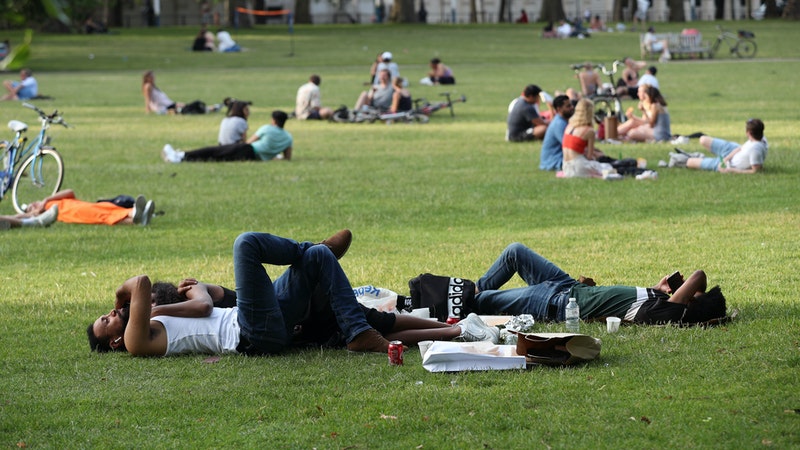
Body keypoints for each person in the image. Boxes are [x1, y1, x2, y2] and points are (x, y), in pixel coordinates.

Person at [87, 230, 417, 356]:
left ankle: (358, 332)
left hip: (257, 321)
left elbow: (199, 307)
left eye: (109, 312)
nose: (113, 312)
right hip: (251, 333)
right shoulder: (136, 342)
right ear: (115, 341)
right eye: (107, 321)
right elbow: (141, 282)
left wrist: (200, 292)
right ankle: (308, 248)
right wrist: (121, 292)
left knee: (319, 259)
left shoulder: (155, 319)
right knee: (245, 244)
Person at [150, 278, 499, 347]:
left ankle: (453, 328)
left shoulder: (197, 294)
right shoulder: (174, 320)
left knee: (377, 323)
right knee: (377, 332)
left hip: (301, 308)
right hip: (299, 324)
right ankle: (456, 330)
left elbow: (208, 303)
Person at [469, 242, 723, 325]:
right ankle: (474, 289)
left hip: (555, 302)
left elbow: (699, 274)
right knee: (515, 252)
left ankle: (459, 301)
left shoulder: (671, 312)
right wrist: (658, 289)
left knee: (479, 302)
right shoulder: (662, 303)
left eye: (693, 294)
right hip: (566, 285)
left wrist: (688, 296)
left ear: (690, 304)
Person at [161, 110, 293, 163]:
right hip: (254, 158)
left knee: (214, 151)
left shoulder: (267, 128)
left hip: (247, 149)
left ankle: (181, 157)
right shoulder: (288, 137)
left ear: (273, 120)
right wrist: (271, 155)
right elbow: (287, 157)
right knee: (218, 156)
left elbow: (249, 141)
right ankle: (181, 156)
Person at [679, 119, 767, 174]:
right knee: (703, 139)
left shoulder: (755, 150)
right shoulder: (760, 138)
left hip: (729, 165)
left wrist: (730, 170)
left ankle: (699, 157)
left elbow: (755, 171)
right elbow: (740, 148)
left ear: (749, 133)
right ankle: (702, 157)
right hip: (731, 151)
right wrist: (725, 159)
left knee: (689, 162)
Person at [23, 190, 154, 226]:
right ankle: (135, 214)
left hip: (85, 205)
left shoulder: (51, 201)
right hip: (76, 213)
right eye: (31, 208)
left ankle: (139, 216)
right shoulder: (45, 215)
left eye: (33, 203)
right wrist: (35, 212)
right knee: (103, 217)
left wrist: (47, 199)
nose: (34, 205)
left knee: (108, 209)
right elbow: (22, 218)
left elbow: (70, 192)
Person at [561, 98, 612, 178]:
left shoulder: (569, 126)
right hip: (579, 167)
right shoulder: (589, 131)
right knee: (607, 167)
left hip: (566, 167)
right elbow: (589, 156)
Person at [142, 70, 219, 115]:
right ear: (146, 78)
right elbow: (148, 99)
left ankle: (209, 108)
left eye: (153, 76)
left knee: (187, 107)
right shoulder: (148, 86)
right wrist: (148, 109)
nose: (153, 78)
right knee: (189, 107)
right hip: (164, 107)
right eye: (151, 77)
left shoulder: (153, 86)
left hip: (169, 104)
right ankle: (210, 108)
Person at [539, 94, 574, 171]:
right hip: (553, 162)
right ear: (559, 109)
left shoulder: (563, 121)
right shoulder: (559, 124)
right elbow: (571, 146)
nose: (572, 108)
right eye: (568, 106)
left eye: (571, 105)